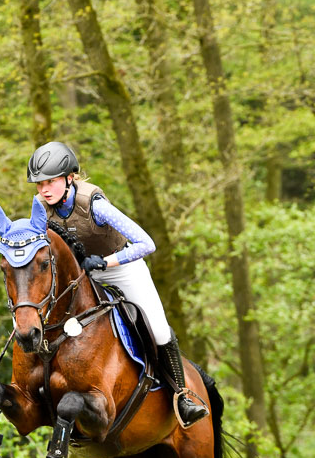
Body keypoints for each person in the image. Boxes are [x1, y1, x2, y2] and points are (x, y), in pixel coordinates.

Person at [27, 140, 208, 428]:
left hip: (123, 268)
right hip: (84, 275)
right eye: (39, 184)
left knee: (158, 328)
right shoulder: (40, 206)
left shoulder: (95, 205)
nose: (44, 189)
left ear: (69, 178)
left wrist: (106, 262)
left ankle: (183, 396)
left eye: (50, 182)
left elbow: (146, 243)